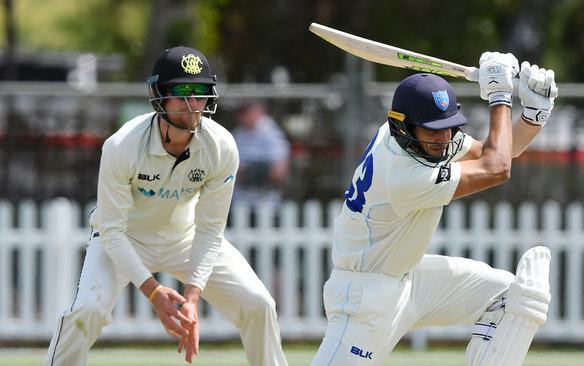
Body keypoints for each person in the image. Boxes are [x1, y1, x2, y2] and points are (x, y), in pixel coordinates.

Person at [44, 46, 288, 366]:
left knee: (259, 304)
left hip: (183, 238)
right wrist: (155, 293)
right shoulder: (122, 145)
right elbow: (112, 229)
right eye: (183, 92)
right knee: (87, 310)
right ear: (159, 95)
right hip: (123, 238)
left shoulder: (222, 146)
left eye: (200, 92)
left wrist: (192, 299)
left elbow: (211, 230)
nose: (193, 105)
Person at [311, 52, 557, 366]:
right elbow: (497, 168)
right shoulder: (404, 177)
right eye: (433, 130)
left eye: (449, 127)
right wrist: (499, 95)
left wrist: (533, 117)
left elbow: (496, 152)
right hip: (364, 298)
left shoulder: (408, 136)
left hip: (409, 279)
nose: (443, 139)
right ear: (404, 127)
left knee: (512, 298)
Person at [232, 101, 290, 208]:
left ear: (258, 110)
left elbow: (278, 172)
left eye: (246, 112)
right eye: (240, 112)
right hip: (240, 201)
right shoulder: (238, 135)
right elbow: (230, 170)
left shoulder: (273, 135)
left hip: (266, 202)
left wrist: (248, 172)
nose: (242, 116)